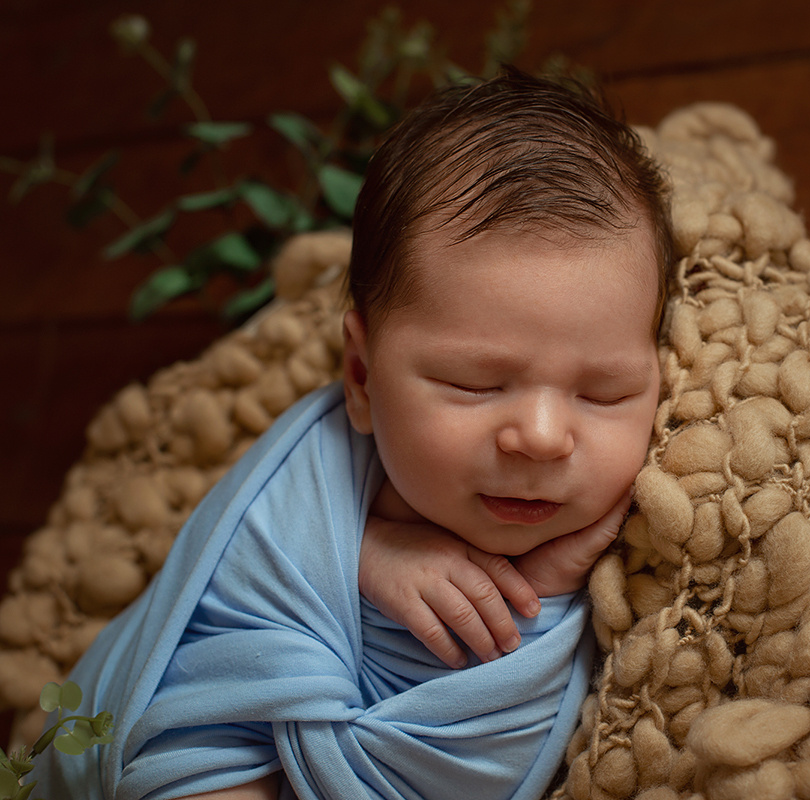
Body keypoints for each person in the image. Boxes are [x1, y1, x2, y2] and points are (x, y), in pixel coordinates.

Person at [33, 68, 673, 800]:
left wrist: (542, 595)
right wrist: (359, 557)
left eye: (603, 392)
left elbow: (478, 757)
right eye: (474, 383)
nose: (540, 436)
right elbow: (222, 627)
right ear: (363, 378)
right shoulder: (309, 480)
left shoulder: (624, 554)